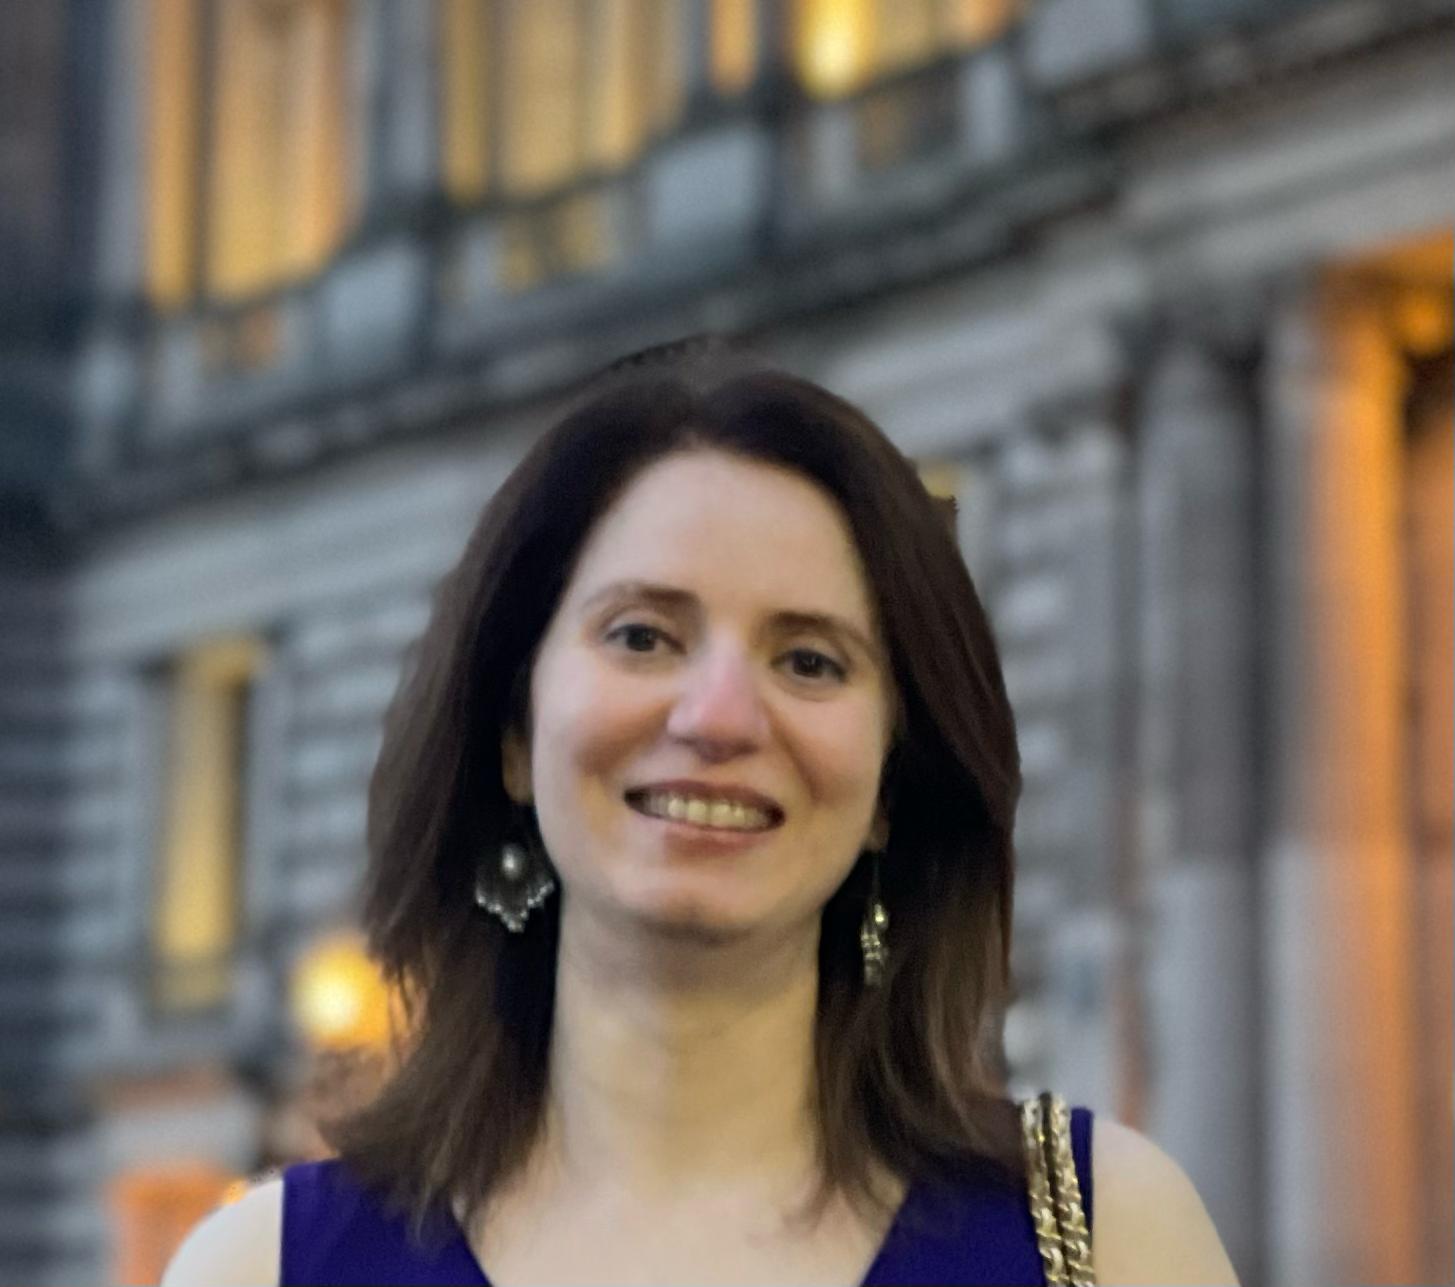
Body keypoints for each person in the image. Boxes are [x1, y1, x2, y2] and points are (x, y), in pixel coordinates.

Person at [162, 338, 1239, 1286]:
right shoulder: (258, 1271)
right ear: (514, 736)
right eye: (642, 636)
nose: (720, 717)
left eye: (810, 661)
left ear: (889, 790)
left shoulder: (1104, 1242)